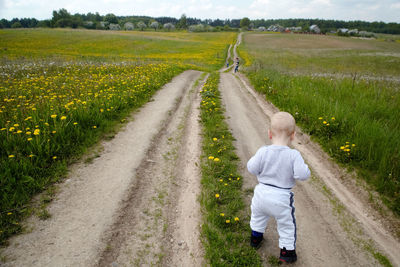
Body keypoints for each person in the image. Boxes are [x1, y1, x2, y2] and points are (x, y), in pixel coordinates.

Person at [247, 111, 310, 263]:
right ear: (293, 136)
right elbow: (303, 175)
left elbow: (251, 168)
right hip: (281, 198)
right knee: (287, 224)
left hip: (261, 194)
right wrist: (303, 168)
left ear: (269, 134)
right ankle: (287, 252)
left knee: (257, 217)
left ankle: (255, 238)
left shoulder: (263, 151)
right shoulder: (293, 155)